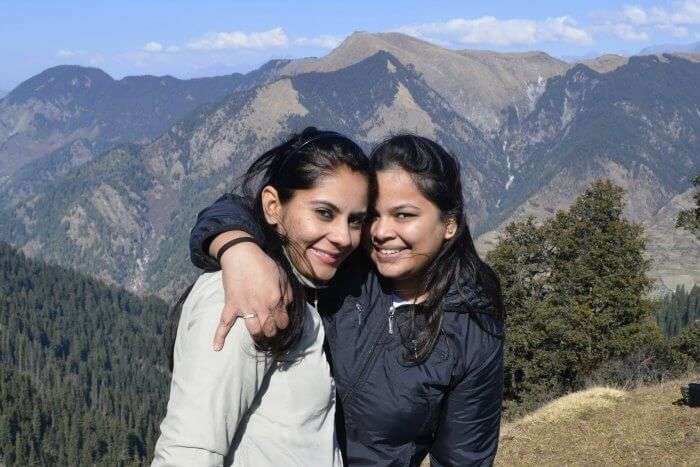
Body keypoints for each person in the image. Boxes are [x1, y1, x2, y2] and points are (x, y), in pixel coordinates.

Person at [190, 134, 506, 466]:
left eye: (404, 215)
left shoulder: (471, 329)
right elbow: (242, 208)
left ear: (450, 224)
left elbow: (464, 459)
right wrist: (236, 247)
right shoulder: (342, 265)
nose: (380, 232)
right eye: (371, 216)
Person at [153, 127, 371, 466]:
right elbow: (188, 453)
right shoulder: (245, 299)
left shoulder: (306, 289)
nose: (343, 237)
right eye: (324, 213)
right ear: (273, 206)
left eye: (355, 220)